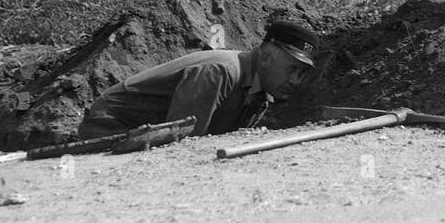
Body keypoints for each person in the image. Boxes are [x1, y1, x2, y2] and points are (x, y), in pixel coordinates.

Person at [77, 19, 324, 139]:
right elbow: (182, 143)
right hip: (109, 126)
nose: (296, 81)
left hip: (141, 136)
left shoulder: (260, 94)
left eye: (301, 73)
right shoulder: (220, 71)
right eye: (292, 69)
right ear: (267, 56)